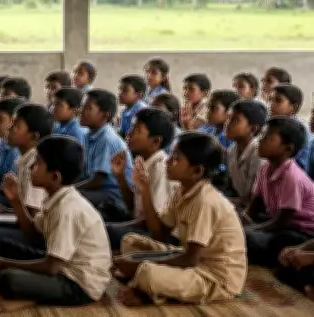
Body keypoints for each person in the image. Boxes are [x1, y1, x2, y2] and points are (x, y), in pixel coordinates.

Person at [113, 132, 246, 306]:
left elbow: (190, 260)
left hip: (214, 277)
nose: (167, 161)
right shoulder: (180, 190)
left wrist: (139, 261)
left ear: (197, 171)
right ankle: (145, 283)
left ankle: (146, 288)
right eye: (170, 155)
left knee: (148, 272)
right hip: (189, 257)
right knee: (130, 242)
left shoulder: (205, 201)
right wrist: (145, 190)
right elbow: (160, 234)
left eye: (176, 159)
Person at [0, 136, 111, 312]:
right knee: (4, 246)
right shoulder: (56, 197)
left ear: (55, 176)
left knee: (8, 279)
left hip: (79, 284)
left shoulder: (68, 209)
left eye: (37, 163)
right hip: (62, 266)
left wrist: (4, 264)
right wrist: (16, 201)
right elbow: (33, 234)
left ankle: (31, 297)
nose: (31, 167)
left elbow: (51, 267)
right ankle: (32, 292)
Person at [243, 117, 314, 267]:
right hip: (279, 223)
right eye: (261, 135)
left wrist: (245, 230)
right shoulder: (264, 169)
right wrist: (239, 222)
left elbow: (282, 222)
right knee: (233, 223)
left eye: (267, 138)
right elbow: (253, 209)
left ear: (288, 149)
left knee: (250, 239)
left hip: (302, 233)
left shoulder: (292, 176)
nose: (260, 140)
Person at [107, 108, 176, 251]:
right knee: (106, 207)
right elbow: (133, 206)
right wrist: (120, 176)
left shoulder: (160, 168)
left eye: (136, 130)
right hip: (141, 222)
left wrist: (119, 226)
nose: (129, 133)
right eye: (131, 128)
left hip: (155, 233)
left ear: (155, 141)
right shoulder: (144, 161)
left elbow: (154, 224)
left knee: (107, 232)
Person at [0, 103, 52, 214]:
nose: (8, 128)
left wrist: (10, 210)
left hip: (32, 221)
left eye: (15, 126)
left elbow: (34, 214)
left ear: (33, 137)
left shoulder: (35, 165)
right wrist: (8, 211)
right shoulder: (24, 158)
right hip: (24, 214)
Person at [77, 89, 134, 221]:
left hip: (113, 196)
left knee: (70, 198)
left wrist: (69, 189)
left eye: (88, 108)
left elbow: (97, 181)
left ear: (105, 116)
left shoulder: (106, 139)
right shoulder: (89, 134)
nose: (81, 111)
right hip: (100, 190)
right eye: (82, 106)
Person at [223, 99, 266, 208]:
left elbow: (255, 201)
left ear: (252, 129)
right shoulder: (232, 150)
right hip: (243, 204)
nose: (227, 124)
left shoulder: (259, 153)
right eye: (228, 118)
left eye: (235, 120)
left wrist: (221, 201)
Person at [268, 83, 312, 174]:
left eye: (278, 100)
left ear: (294, 108)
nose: (271, 104)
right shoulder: (270, 125)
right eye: (270, 100)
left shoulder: (301, 133)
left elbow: (302, 167)